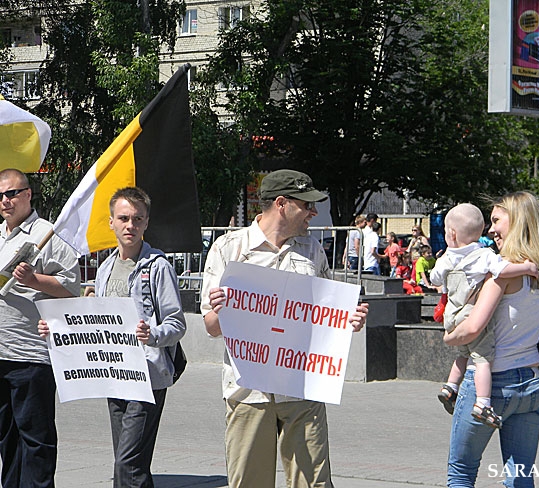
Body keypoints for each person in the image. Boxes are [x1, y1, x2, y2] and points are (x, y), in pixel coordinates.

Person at [200, 169, 369, 488]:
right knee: (250, 483)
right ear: (281, 204)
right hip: (248, 392)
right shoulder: (229, 248)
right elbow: (211, 326)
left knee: (314, 483)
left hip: (303, 386)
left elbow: (327, 316)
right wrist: (222, 310)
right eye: (306, 205)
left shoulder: (312, 250)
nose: (313, 212)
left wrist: (349, 321)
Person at [41, 187, 186, 487]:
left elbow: (177, 323)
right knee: (128, 462)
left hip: (147, 377)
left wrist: (152, 334)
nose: (130, 225)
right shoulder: (105, 268)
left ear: (146, 223)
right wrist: (57, 328)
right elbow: (95, 323)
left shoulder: (158, 267)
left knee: (128, 463)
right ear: (111, 222)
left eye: (137, 219)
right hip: (116, 376)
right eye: (123, 218)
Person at [443, 191, 539, 487]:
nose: (491, 230)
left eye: (496, 220)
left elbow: (473, 329)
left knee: (461, 472)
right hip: (531, 384)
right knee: (520, 476)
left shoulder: (501, 273)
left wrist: (449, 337)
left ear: (517, 221)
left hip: (491, 383)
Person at [0, 168, 80, 488]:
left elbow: (72, 287)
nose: (5, 201)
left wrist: (34, 280)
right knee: (7, 438)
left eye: (11, 193)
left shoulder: (47, 234)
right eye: (0, 196)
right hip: (1, 353)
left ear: (28, 194)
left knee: (36, 438)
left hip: (32, 355)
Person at [430, 203, 538, 428]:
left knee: (463, 354)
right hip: (470, 314)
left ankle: (450, 386)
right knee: (482, 360)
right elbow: (503, 270)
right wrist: (527, 268)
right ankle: (482, 403)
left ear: (451, 234)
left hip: (451, 317)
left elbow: (435, 279)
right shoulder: (483, 255)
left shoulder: (446, 258)